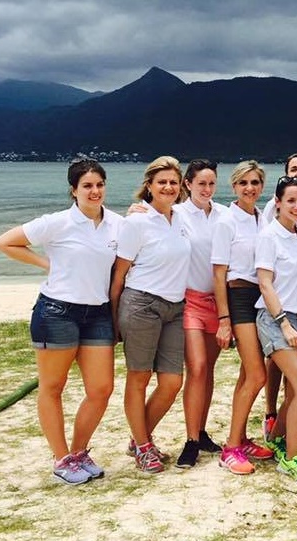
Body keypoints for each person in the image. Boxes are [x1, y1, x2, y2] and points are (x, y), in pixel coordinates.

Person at [0, 159, 122, 485]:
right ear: (74, 191)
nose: (94, 191)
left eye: (99, 185)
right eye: (87, 186)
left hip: (97, 314)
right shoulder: (58, 222)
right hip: (57, 312)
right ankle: (61, 457)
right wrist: (46, 263)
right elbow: (5, 242)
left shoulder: (117, 225)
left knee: (101, 389)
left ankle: (78, 452)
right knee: (53, 387)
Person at [110, 156, 191, 474]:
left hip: (175, 308)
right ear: (149, 186)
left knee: (172, 382)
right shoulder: (137, 221)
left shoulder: (181, 218)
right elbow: (119, 275)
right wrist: (113, 317)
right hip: (141, 305)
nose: (168, 187)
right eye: (162, 182)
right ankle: (144, 446)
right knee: (140, 377)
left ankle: (137, 438)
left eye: (173, 182)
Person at [255, 175, 297, 484]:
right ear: (277, 202)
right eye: (290, 200)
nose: (296, 206)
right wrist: (283, 322)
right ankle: (292, 459)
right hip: (276, 319)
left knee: (296, 390)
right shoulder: (270, 236)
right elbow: (265, 283)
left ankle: (277, 437)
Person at [211, 160, 273, 475]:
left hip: (260, 299)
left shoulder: (263, 218)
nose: (250, 188)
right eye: (243, 183)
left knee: (246, 376)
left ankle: (242, 437)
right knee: (258, 375)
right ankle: (231, 448)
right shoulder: (226, 221)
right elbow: (218, 273)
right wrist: (224, 319)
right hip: (238, 299)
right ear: (234, 186)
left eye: (255, 182)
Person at [168, 160, 231, 468]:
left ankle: (202, 431)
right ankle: (191, 440)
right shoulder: (176, 214)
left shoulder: (224, 215)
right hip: (190, 301)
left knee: (208, 372)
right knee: (197, 368)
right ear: (187, 185)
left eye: (211, 184)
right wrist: (137, 210)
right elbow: (148, 220)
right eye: (201, 183)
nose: (206, 189)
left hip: (218, 302)